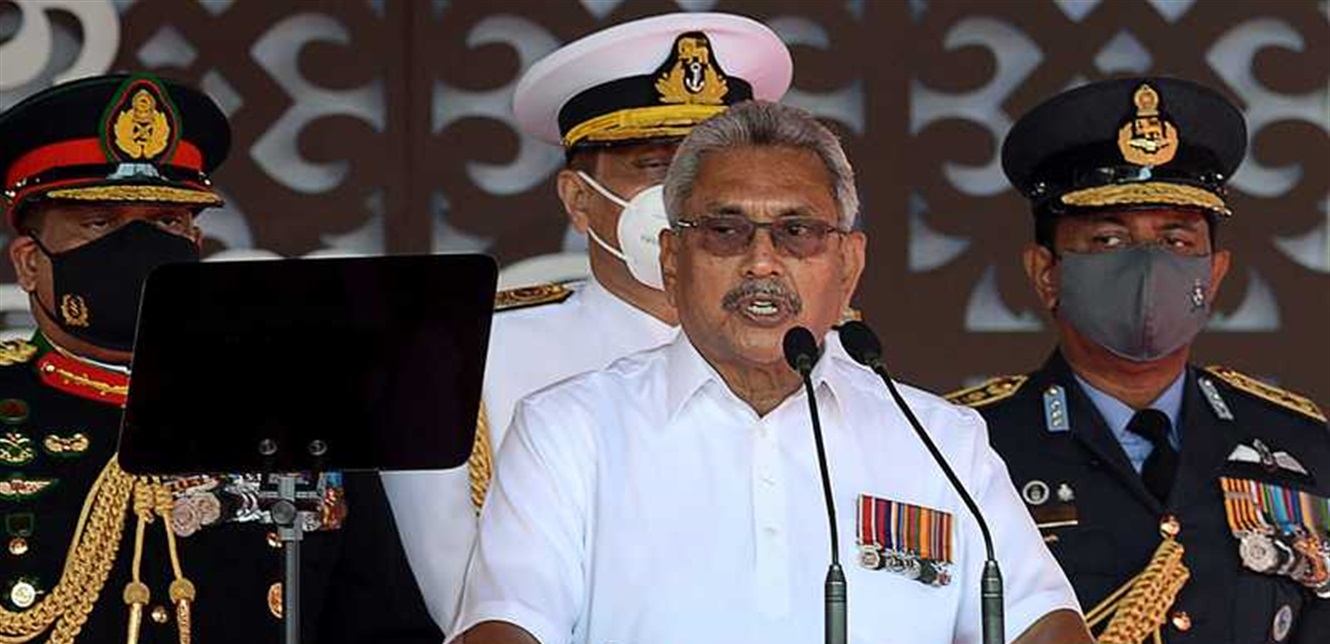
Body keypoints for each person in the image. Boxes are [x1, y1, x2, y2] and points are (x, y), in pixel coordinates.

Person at [450, 100, 1091, 644]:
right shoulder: (570, 430)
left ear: (848, 265)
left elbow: (1043, 625)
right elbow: (506, 626)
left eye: (797, 231)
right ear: (672, 260)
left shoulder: (940, 440)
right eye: (726, 230)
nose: (762, 261)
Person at [381, 11, 793, 630]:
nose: (690, 201)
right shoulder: (466, 358)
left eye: (711, 174)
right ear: (579, 200)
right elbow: (469, 612)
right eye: (656, 169)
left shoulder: (817, 350)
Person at [0, 73, 440, 643]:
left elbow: (383, 628)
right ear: (29, 262)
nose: (138, 248)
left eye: (166, 223)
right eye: (100, 223)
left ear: (195, 244)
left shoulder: (297, 412)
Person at [947, 77, 1330, 643]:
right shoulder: (965, 448)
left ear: (1214, 274)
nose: (1149, 269)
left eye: (1176, 242)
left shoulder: (1300, 445)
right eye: (1108, 240)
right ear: (1045, 273)